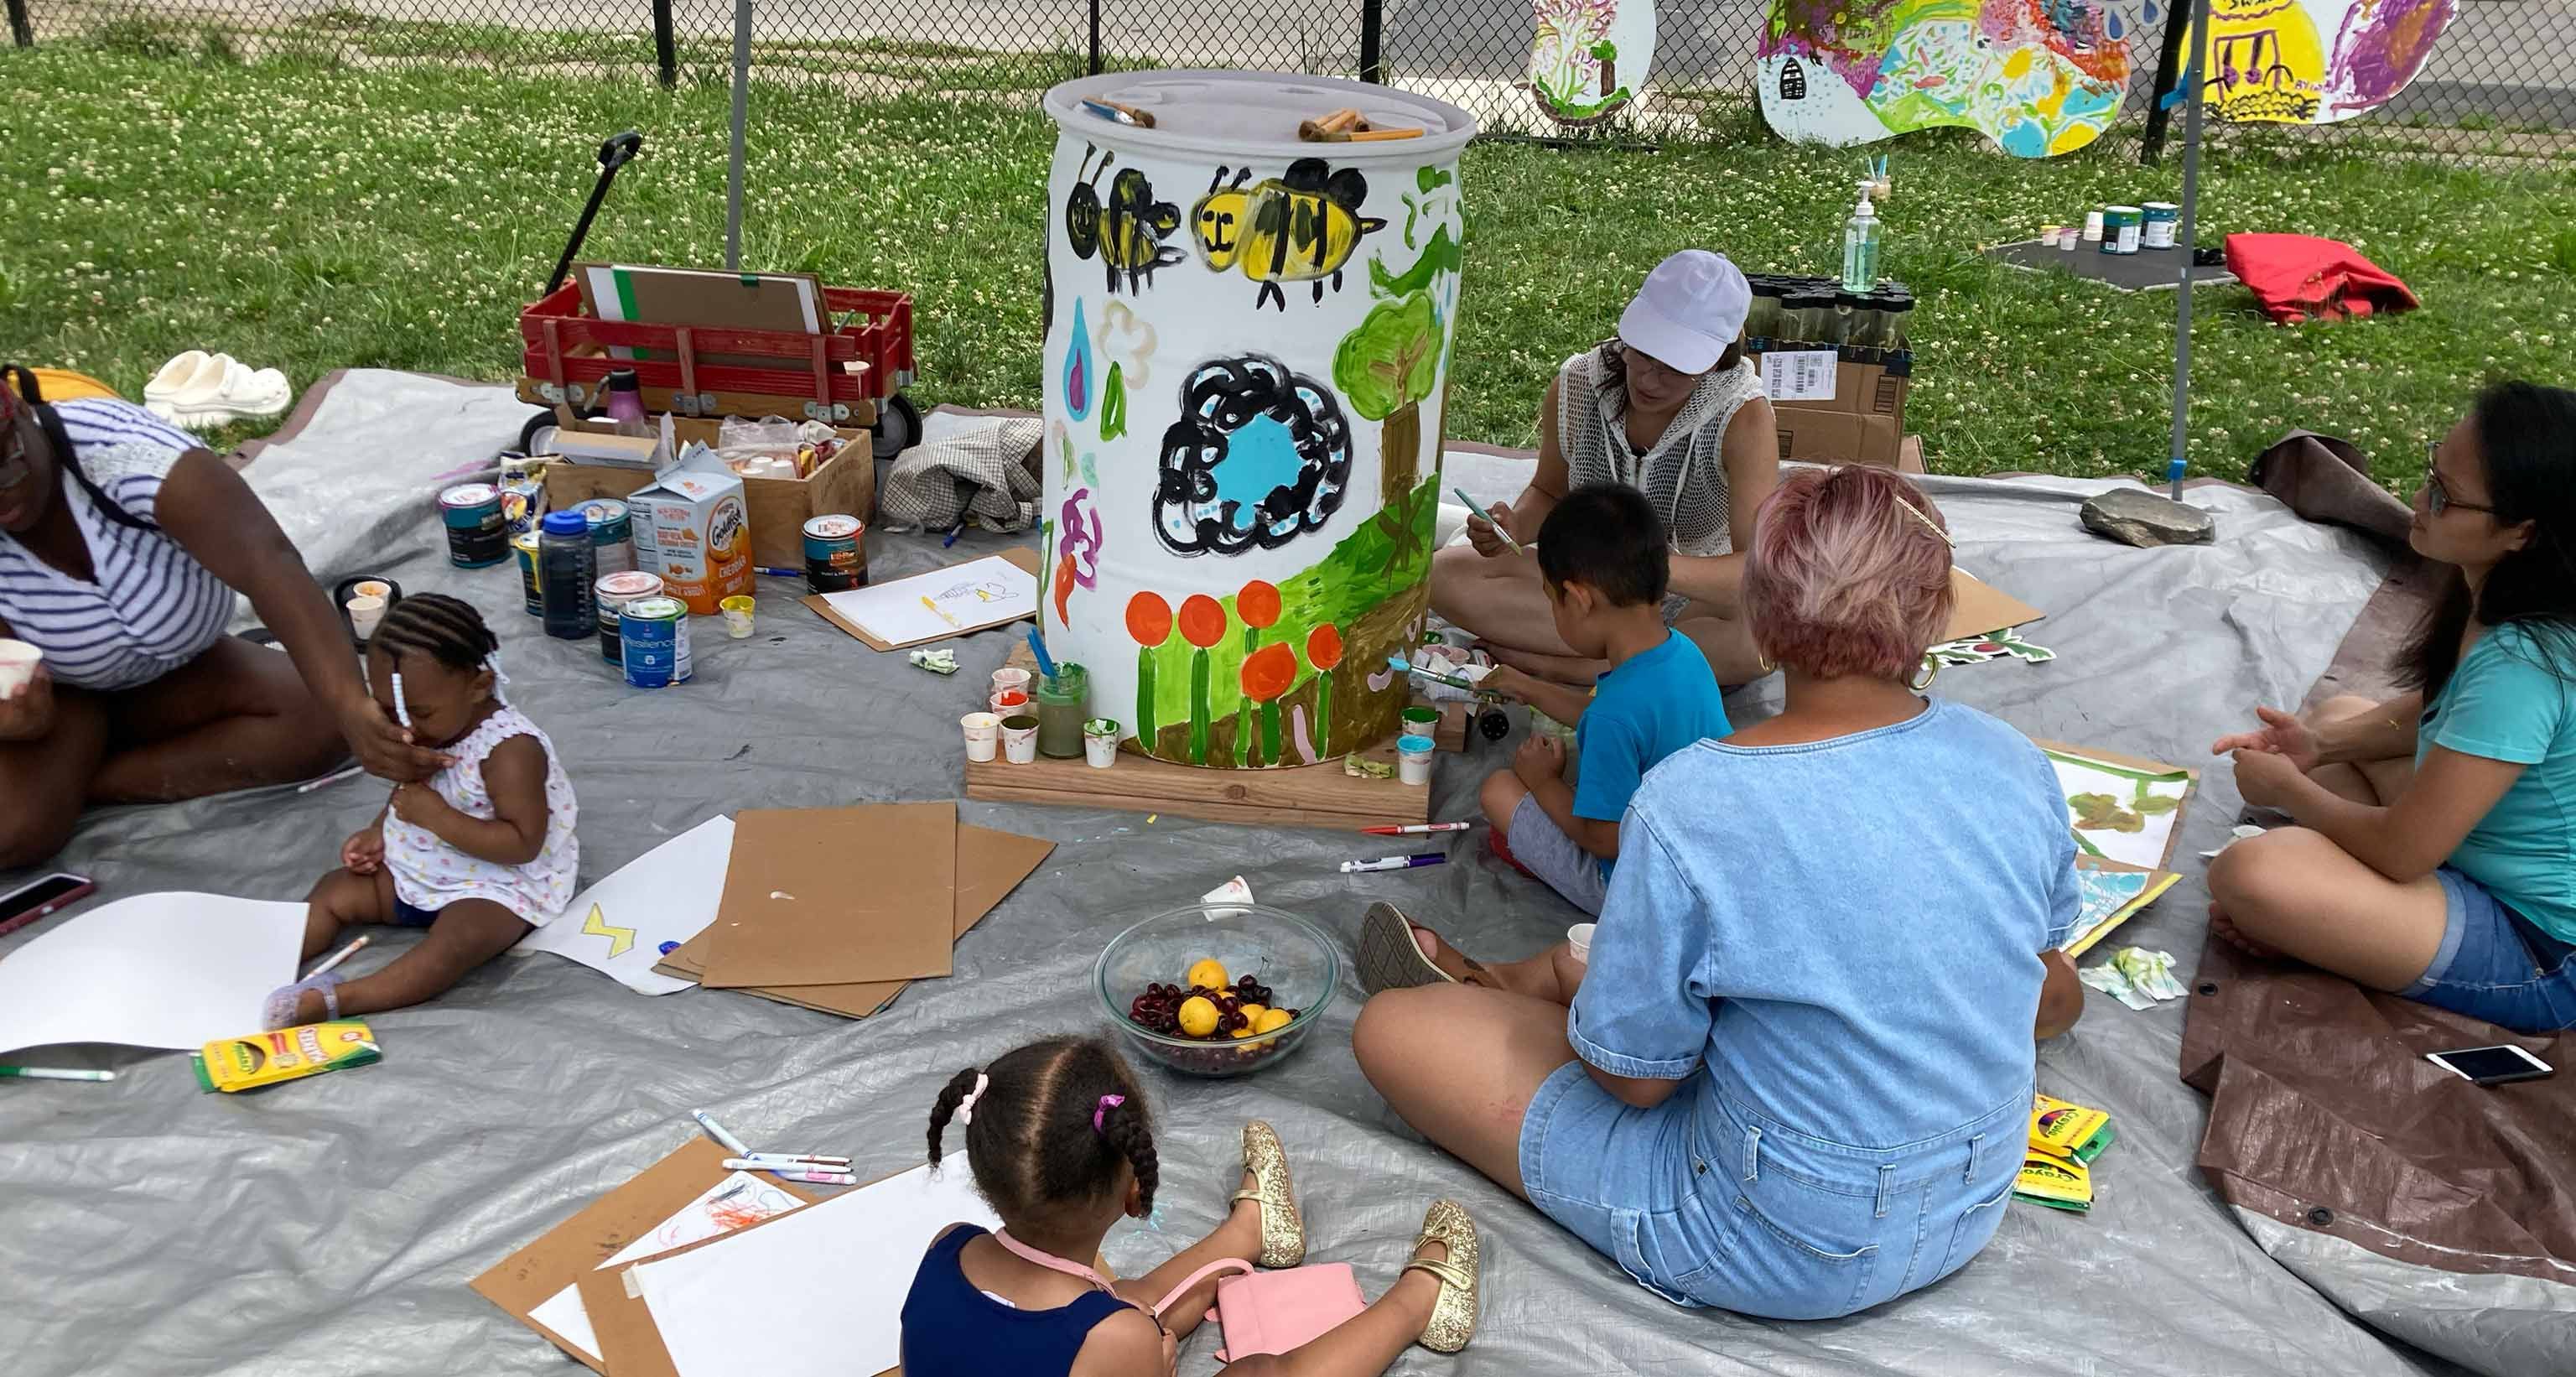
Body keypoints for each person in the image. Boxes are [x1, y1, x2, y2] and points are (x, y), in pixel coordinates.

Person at [1355, 466, 2085, 1320]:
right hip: (1970, 1201)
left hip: (1773, 1234)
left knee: (1395, 1029)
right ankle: (1546, 989)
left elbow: (1635, 1082)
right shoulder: (2010, 759)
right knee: (1654, 993)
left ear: (1763, 621)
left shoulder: (1694, 798)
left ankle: (1512, 992)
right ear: (1935, 612)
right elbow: (2049, 983)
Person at [2210, 382, 2576, 1033]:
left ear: (2522, 532)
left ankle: (2346, 925)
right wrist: (2322, 751)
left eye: (2444, 495)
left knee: (2255, 871)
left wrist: (2288, 789)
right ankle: (2349, 916)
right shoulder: (2507, 594)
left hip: (2543, 949)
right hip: (2485, 850)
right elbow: (2446, 704)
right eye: (2432, 470)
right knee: (2336, 717)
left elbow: (2406, 852)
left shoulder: (2524, 662)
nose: (2416, 500)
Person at [0, 365, 444, 868]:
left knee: (322, 721)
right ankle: (72, 764)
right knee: (13, 835)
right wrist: (19, 726)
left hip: (187, 672)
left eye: (6, 469)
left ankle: (89, 777)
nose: (5, 502)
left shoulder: (116, 448)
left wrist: (349, 703)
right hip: (61, 699)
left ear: (18, 415)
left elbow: (266, 559)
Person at [900, 1037, 1481, 1377]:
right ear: (1135, 1190)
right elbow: (1115, 1341)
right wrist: (1152, 1360)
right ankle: (1419, 1302)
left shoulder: (946, 1245)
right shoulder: (1112, 1339)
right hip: (1112, 1348)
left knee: (1107, 1309)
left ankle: (1247, 1234)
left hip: (1095, 1340)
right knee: (1257, 1373)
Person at [1430, 250, 1779, 687]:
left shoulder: (1742, 415)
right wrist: (1515, 527)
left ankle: (1577, 667)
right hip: (1586, 587)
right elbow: (1550, 493)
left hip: (1691, 596)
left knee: (1759, 637)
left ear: (1717, 359)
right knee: (1444, 575)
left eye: (1676, 369)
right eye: (1644, 355)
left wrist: (1646, 567)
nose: (1650, 380)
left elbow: (1758, 569)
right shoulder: (1579, 383)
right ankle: (1636, 667)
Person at [266, 595, 578, 1027]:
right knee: (334, 891)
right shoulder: (431, 728)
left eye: (420, 712)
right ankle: (263, 965)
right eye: (390, 712)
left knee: (459, 940)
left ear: (479, 686)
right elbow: (409, 792)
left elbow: (523, 843)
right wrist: (379, 832)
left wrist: (434, 817)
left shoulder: (510, 751)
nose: (406, 727)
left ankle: (342, 998)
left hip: (499, 881)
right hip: (424, 861)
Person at [1433, 486, 1730, 931]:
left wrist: (1541, 782)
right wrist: (1526, 686)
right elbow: (1613, 716)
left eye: (1553, 601)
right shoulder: (1683, 653)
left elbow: (1604, 838)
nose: (1554, 612)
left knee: (1498, 790)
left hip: (1639, 891)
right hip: (1703, 858)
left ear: (1579, 599)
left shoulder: (1615, 716)